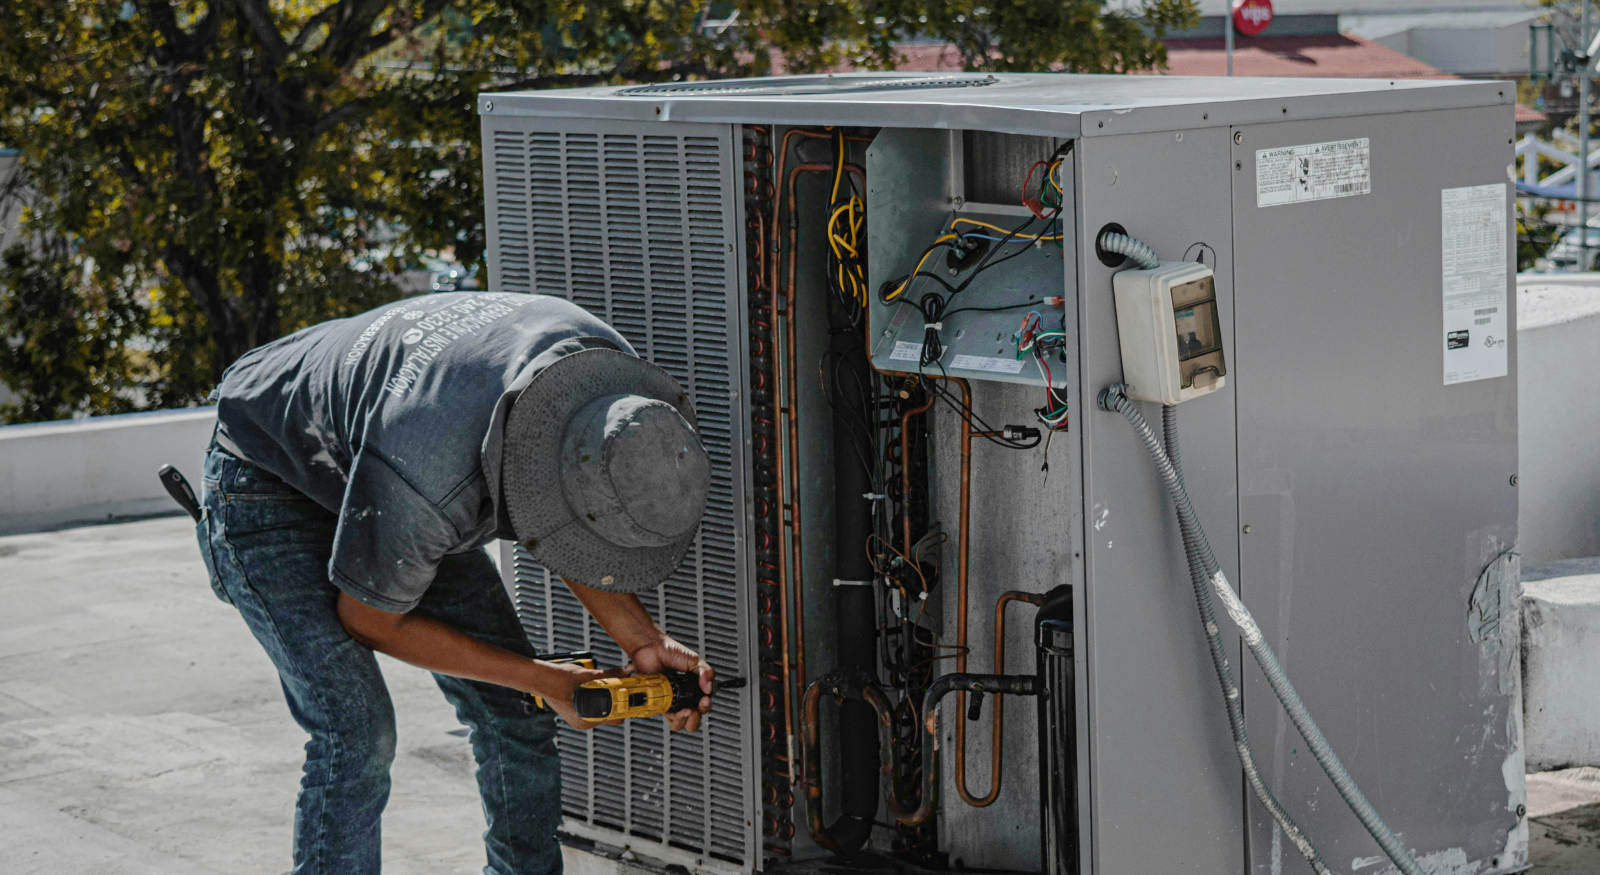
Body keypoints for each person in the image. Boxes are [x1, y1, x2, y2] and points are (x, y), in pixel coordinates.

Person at [193, 291, 715, 874]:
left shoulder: (607, 383)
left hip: (393, 451)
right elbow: (370, 621)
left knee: (515, 711)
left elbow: (570, 512)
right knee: (357, 735)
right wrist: (543, 678)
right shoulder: (431, 480)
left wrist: (641, 640)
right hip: (268, 476)